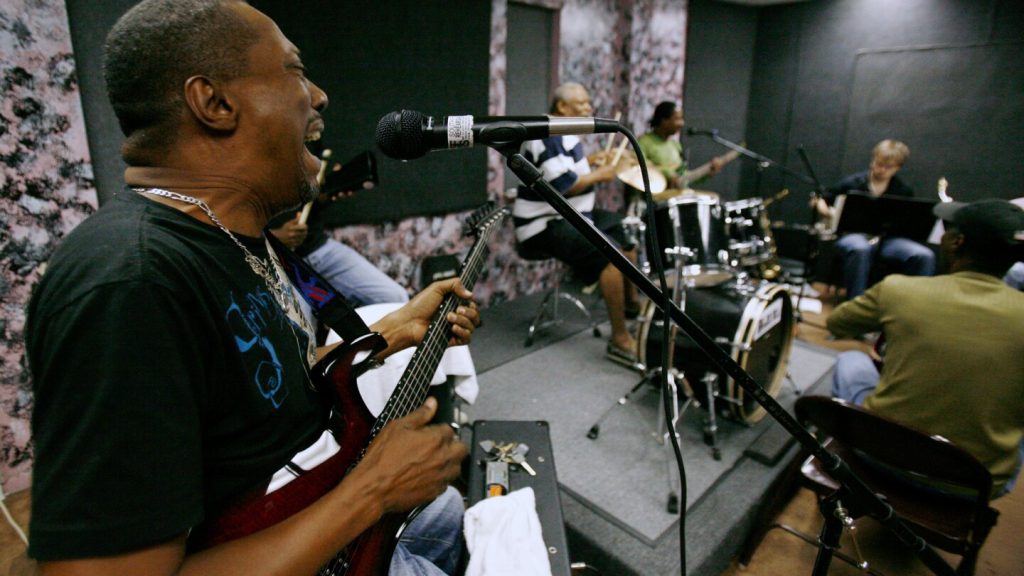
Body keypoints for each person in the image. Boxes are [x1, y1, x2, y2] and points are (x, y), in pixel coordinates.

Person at [24, 1, 480, 574]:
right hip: (311, 534)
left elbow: (261, 383)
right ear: (214, 103)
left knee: (448, 510)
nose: (319, 96)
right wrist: (370, 493)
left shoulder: (237, 235)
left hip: (323, 510)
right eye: (295, 71)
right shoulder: (129, 287)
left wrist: (391, 329)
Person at [827, 199, 1024, 496]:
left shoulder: (899, 290)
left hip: (879, 456)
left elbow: (837, 322)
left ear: (956, 242)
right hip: (974, 484)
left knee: (852, 360)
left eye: (948, 229)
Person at [513, 82, 639, 367]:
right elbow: (564, 186)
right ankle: (619, 340)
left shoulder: (565, 134)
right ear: (562, 107)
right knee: (610, 254)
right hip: (543, 224)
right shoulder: (546, 134)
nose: (589, 108)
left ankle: (632, 306)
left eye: (588, 102)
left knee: (627, 229)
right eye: (582, 103)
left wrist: (592, 161)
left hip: (574, 214)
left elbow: (565, 170)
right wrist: (603, 173)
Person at [812, 139, 936, 299]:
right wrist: (824, 209)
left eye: (888, 167)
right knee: (860, 249)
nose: (881, 169)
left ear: (898, 167)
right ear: (873, 160)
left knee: (924, 255)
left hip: (888, 240)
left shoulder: (902, 190)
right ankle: (856, 303)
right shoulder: (852, 183)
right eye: (879, 164)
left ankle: (911, 306)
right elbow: (821, 198)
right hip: (853, 235)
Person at [637, 101, 727, 190]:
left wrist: (708, 172)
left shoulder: (675, 145)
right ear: (663, 120)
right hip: (657, 197)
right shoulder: (644, 142)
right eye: (677, 119)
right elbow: (637, 168)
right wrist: (668, 173)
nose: (682, 123)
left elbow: (683, 178)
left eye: (681, 119)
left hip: (678, 195)